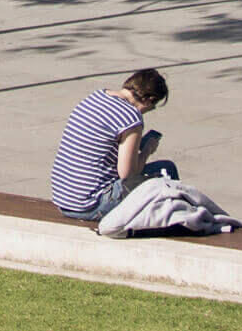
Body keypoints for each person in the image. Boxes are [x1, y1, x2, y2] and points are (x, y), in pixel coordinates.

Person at [51, 68, 173, 219]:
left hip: (63, 199)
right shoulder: (131, 118)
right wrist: (147, 150)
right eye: (152, 107)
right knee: (166, 169)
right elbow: (128, 175)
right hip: (90, 205)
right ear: (149, 99)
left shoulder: (96, 97)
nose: (148, 111)